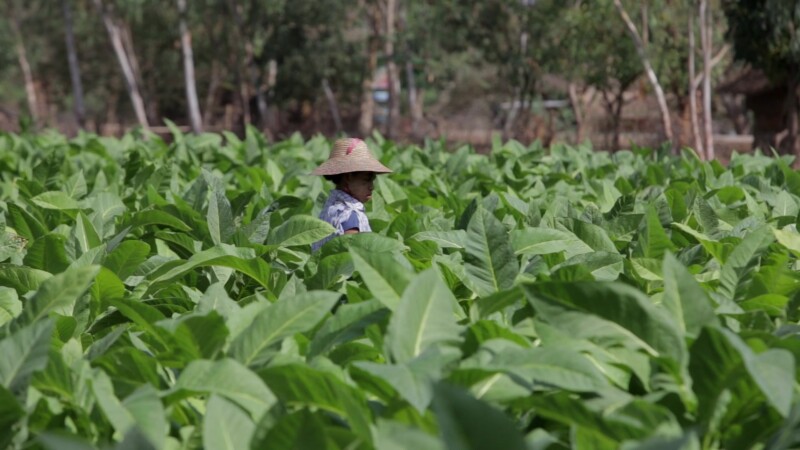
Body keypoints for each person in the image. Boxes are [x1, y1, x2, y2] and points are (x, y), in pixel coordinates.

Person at [311, 138, 392, 251]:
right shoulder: (350, 215)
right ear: (348, 177)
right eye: (366, 180)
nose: (372, 187)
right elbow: (351, 255)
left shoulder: (331, 206)